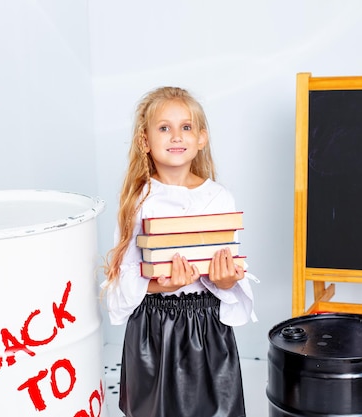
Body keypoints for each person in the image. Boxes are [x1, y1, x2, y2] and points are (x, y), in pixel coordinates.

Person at [103, 86, 257, 417]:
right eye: (164, 128)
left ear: (201, 138)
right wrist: (163, 285)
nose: (176, 136)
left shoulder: (218, 198)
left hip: (206, 327)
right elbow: (123, 277)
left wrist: (227, 280)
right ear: (145, 141)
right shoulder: (138, 201)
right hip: (153, 327)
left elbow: (228, 273)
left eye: (186, 127)